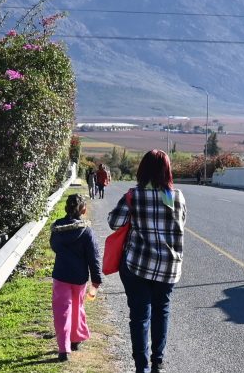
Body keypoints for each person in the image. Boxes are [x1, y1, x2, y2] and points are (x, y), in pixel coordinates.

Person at [108, 150, 186, 373]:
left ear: (143, 170)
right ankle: (157, 363)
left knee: (140, 316)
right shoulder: (177, 196)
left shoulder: (134, 195)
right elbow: (180, 226)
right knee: (162, 311)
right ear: (167, 170)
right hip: (168, 267)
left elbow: (114, 222)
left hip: (138, 265)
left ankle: (141, 367)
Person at [50, 194, 102, 362]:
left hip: (61, 275)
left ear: (67, 208)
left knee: (61, 311)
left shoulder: (57, 227)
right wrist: (96, 279)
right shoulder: (86, 231)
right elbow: (93, 257)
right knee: (77, 308)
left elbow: (54, 246)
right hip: (79, 278)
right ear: (84, 210)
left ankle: (63, 349)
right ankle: (75, 339)